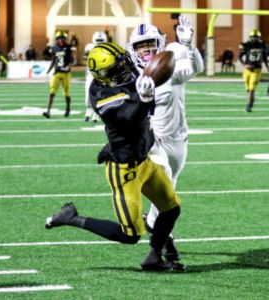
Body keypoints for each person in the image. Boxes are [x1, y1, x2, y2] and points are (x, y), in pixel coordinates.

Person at [45, 42, 183, 272]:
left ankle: (154, 256)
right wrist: (145, 100)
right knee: (129, 235)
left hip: (145, 161)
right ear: (103, 76)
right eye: (118, 70)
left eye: (124, 64)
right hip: (124, 172)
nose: (126, 71)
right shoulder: (101, 95)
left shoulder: (127, 73)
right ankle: (72, 218)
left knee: (171, 208)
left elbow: (149, 82)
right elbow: (128, 118)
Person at [127, 16, 203, 267]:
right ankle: (158, 248)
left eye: (150, 43)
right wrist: (142, 98)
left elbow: (196, 68)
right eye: (140, 45)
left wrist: (189, 46)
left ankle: (157, 230)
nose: (146, 49)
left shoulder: (169, 69)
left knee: (169, 191)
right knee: (167, 193)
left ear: (160, 43)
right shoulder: (130, 76)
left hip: (179, 138)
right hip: (153, 142)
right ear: (133, 49)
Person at [43, 31, 75, 118]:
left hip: (66, 74)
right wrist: (48, 71)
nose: (61, 40)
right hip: (56, 73)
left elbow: (72, 60)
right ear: (57, 39)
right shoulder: (54, 48)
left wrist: (69, 67)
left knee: (66, 93)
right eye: (59, 38)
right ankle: (48, 111)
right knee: (52, 92)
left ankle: (68, 109)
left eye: (62, 38)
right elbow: (53, 60)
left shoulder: (68, 47)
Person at [238, 29, 268, 112]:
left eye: (256, 37)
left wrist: (267, 65)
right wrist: (245, 64)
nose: (255, 39)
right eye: (253, 37)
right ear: (250, 37)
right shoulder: (246, 45)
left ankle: (248, 106)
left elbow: (264, 57)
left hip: (256, 70)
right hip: (247, 70)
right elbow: (239, 56)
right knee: (248, 89)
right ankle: (250, 103)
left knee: (251, 89)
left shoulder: (262, 45)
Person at [83, 31, 108, 122]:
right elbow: (85, 56)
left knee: (100, 95)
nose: (99, 42)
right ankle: (88, 110)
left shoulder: (107, 48)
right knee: (87, 95)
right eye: (98, 40)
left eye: (101, 40)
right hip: (91, 74)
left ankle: (97, 113)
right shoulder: (89, 47)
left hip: (102, 75)